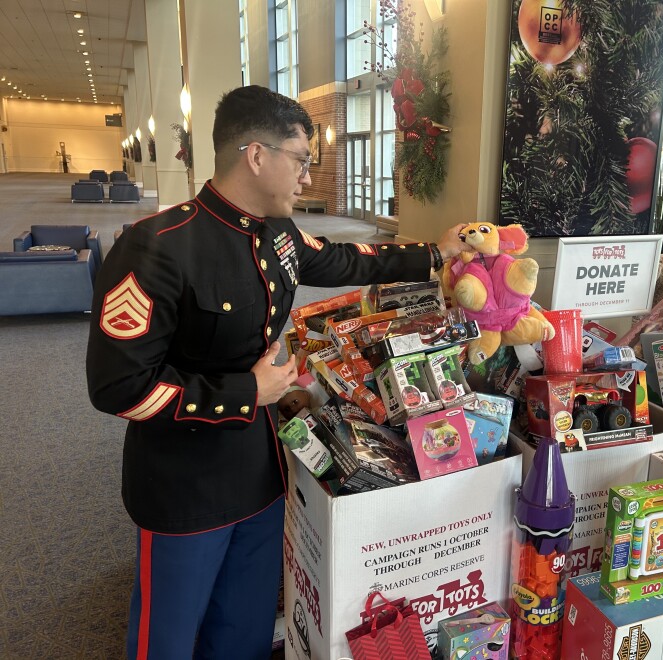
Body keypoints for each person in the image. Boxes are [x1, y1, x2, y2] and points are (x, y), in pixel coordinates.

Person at [86, 85, 470, 659]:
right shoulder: (158, 248)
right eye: (301, 161)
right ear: (257, 155)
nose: (308, 179)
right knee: (166, 638)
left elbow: (345, 258)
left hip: (257, 473)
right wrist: (247, 391)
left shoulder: (275, 232)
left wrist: (434, 254)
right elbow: (118, 388)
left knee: (242, 627)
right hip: (183, 482)